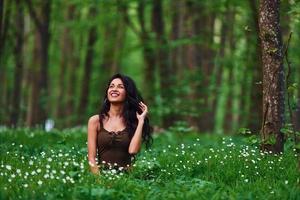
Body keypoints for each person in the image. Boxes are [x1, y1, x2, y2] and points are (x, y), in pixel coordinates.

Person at [87, 73, 153, 174]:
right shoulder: (95, 121)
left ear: (127, 93)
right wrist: (100, 182)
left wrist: (141, 121)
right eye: (111, 86)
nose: (114, 89)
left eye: (120, 87)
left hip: (127, 180)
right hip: (101, 178)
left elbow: (133, 151)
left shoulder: (133, 121)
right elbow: (91, 158)